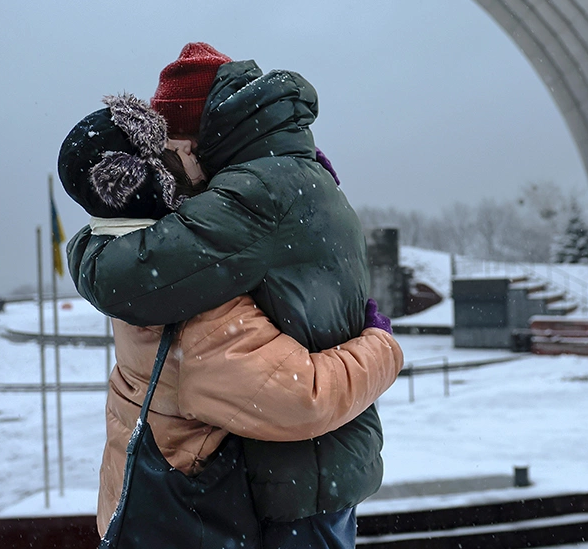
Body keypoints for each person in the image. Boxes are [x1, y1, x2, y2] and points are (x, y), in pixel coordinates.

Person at [68, 44, 384, 547]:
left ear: (197, 137)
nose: (169, 168)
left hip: (296, 479)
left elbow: (123, 279)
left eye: (172, 149)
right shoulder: (294, 172)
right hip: (312, 465)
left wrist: (93, 237)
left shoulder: (257, 191)